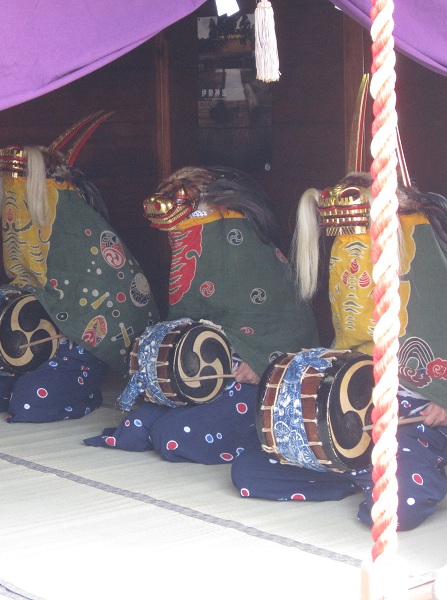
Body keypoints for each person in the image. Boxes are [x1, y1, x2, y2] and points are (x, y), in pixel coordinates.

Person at [231, 172, 447, 530]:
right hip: (349, 410)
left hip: (412, 415)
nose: (349, 269)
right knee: (249, 471)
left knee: (398, 506)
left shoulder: (427, 266)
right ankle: (357, 472)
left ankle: (373, 473)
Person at [85, 166, 318, 463]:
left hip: (259, 382)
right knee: (136, 428)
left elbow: (293, 327)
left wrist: (261, 362)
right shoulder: (204, 261)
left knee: (172, 436)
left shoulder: (254, 257)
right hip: (208, 376)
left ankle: (266, 435)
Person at [0, 112, 159, 422]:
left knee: (29, 404)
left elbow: (85, 291)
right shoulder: (22, 210)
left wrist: (62, 333)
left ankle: (84, 389)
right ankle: (34, 375)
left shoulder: (71, 220)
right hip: (38, 335)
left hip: (82, 340)